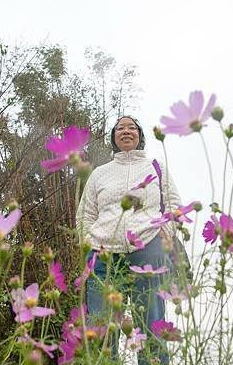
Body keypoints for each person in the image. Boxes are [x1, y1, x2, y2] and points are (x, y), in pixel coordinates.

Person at [76, 115, 181, 364]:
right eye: (120, 128)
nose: (126, 131)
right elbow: (86, 214)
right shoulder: (99, 174)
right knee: (101, 326)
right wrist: (90, 244)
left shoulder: (156, 167)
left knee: (152, 324)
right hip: (104, 255)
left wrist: (165, 235)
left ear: (140, 136)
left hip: (148, 248)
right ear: (113, 137)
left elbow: (174, 205)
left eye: (131, 127)